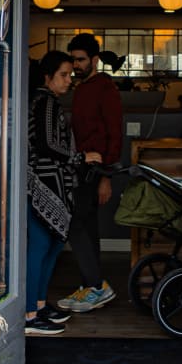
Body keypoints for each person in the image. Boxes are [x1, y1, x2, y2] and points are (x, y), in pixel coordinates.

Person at [57, 32, 122, 312]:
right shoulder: (81, 88)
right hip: (80, 164)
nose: (76, 65)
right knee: (87, 227)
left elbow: (115, 134)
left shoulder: (105, 88)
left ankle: (96, 286)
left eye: (81, 60)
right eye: (73, 60)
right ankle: (91, 287)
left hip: (96, 168)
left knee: (76, 224)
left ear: (95, 60)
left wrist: (106, 176)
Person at [25, 51, 79, 335]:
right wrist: (78, 157)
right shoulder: (45, 101)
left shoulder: (45, 101)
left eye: (71, 75)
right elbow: (47, 143)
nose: (69, 80)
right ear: (47, 77)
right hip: (43, 182)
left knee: (51, 243)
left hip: (49, 181)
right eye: (64, 75)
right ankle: (29, 313)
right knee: (41, 244)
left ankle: (39, 304)